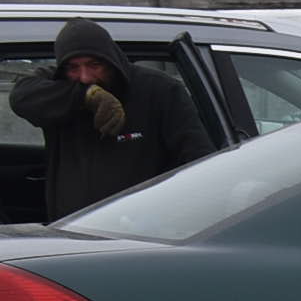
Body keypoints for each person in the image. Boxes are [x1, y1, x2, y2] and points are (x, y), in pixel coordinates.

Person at [8, 20, 215, 220]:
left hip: (144, 229)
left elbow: (199, 163)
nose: (85, 77)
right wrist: (86, 96)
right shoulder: (60, 88)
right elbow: (21, 97)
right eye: (73, 67)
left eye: (94, 65)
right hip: (70, 229)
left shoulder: (159, 90)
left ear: (111, 60)